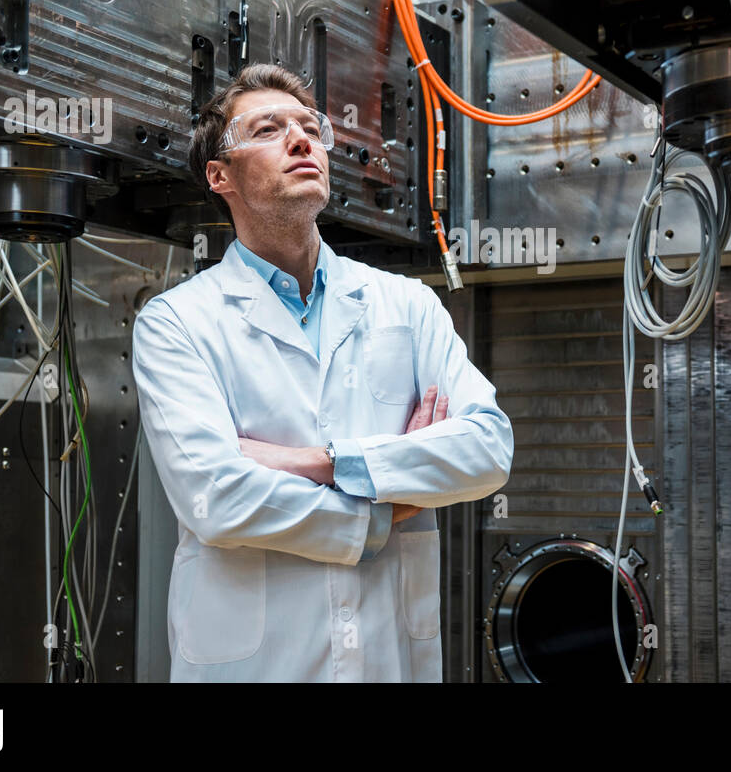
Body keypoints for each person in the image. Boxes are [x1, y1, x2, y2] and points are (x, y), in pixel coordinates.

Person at [131, 63, 513, 681]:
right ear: (219, 176)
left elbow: (488, 448)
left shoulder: (406, 306)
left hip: (392, 661)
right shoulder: (176, 323)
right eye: (268, 129)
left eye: (311, 127)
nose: (302, 140)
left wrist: (323, 462)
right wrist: (387, 502)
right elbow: (216, 496)